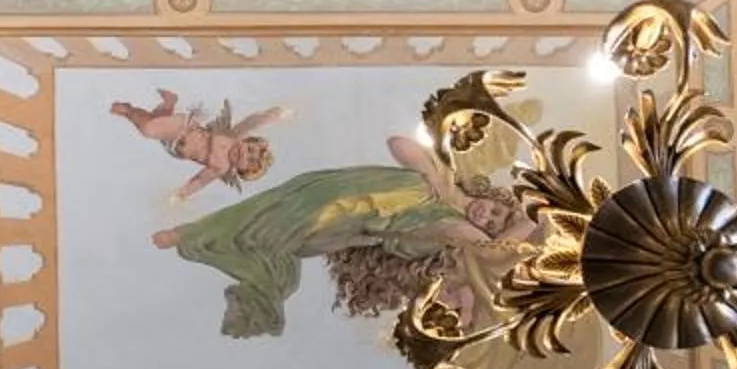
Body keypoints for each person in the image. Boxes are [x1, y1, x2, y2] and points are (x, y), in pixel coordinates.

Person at [151, 132, 527, 339]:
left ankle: (192, 240)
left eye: (492, 221)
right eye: (495, 209)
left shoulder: (446, 225)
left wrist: (527, 224)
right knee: (260, 210)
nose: (487, 215)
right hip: (328, 188)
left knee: (270, 240)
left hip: (339, 218)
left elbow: (489, 245)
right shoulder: (442, 179)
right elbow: (397, 143)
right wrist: (431, 172)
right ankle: (188, 234)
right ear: (490, 195)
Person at [109, 88, 287, 200]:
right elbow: (252, 122)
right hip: (185, 127)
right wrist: (274, 115)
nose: (244, 154)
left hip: (174, 144)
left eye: (247, 160)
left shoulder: (220, 167)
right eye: (248, 150)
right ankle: (128, 110)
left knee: (156, 121)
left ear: (241, 170)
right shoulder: (232, 136)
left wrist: (182, 193)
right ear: (246, 141)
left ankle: (169, 102)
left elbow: (201, 181)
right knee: (149, 129)